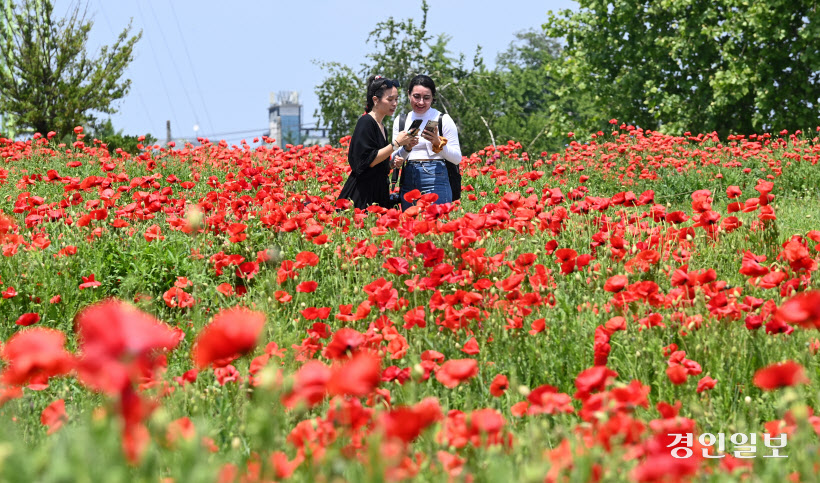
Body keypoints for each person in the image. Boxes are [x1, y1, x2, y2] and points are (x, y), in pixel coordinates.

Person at [338, 75, 418, 210]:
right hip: (362, 194)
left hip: (377, 191)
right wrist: (395, 144)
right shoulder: (366, 122)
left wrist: (391, 164)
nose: (395, 103)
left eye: (397, 99)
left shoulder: (381, 126)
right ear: (375, 100)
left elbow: (377, 163)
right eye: (390, 99)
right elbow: (365, 162)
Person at [392, 74, 462, 211]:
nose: (421, 102)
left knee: (436, 225)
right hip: (409, 176)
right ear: (408, 94)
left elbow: (457, 158)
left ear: (433, 98)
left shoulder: (443, 119)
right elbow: (394, 158)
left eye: (427, 98)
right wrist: (407, 148)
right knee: (410, 227)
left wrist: (438, 143)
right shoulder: (401, 121)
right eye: (416, 96)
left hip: (436, 175)